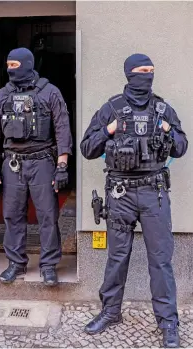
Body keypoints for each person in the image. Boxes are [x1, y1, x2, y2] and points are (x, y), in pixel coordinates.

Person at [80, 54, 188, 348]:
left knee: (161, 260)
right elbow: (87, 148)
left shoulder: (163, 109)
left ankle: (168, 322)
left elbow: (181, 147)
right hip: (120, 194)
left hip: (154, 193)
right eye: (142, 70)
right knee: (117, 257)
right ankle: (111, 312)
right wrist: (109, 130)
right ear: (129, 73)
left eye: (151, 70)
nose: (148, 75)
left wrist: (167, 129)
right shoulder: (112, 108)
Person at [0, 48, 73, 286]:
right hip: (12, 163)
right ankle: (15, 263)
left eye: (16, 64)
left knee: (47, 215)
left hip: (42, 160)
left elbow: (62, 127)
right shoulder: (3, 95)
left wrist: (62, 164)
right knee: (12, 215)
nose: (11, 69)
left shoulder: (50, 92)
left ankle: (49, 265)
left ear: (27, 64)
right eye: (8, 64)